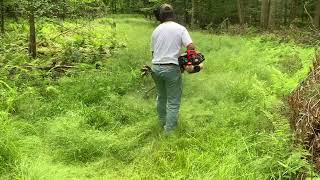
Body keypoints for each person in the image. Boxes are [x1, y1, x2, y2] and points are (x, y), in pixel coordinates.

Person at [151, 4, 196, 134]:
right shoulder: (180, 28)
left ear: (160, 16)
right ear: (173, 15)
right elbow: (191, 46)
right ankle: (169, 132)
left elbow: (154, 53)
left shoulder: (156, 31)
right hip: (171, 68)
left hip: (156, 67)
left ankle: (162, 122)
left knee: (161, 97)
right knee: (173, 101)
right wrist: (189, 63)